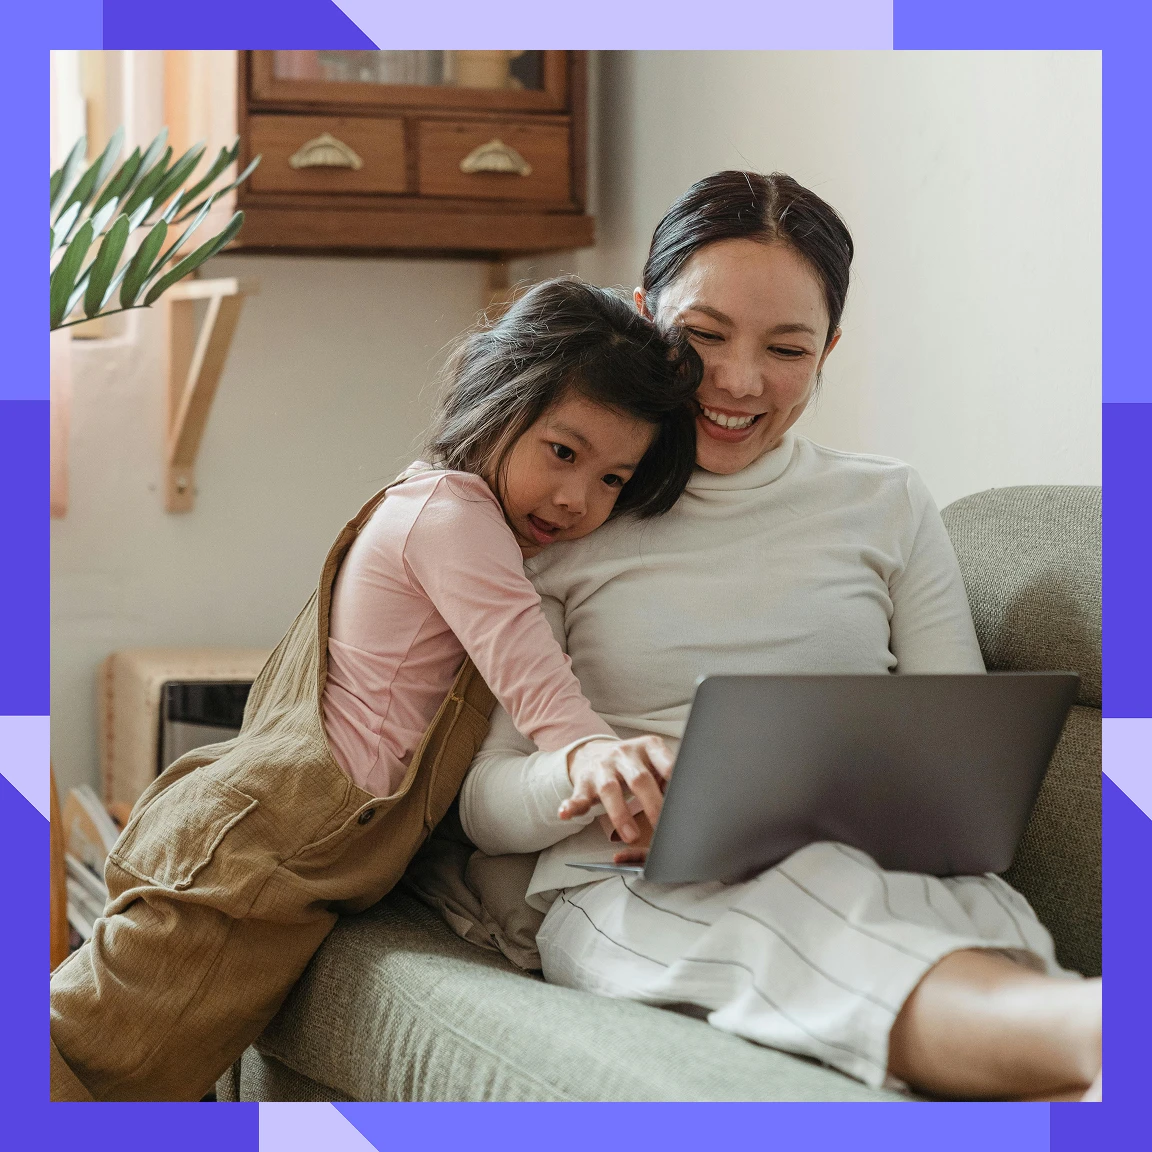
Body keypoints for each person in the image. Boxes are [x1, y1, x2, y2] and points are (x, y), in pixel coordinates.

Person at [459, 172, 1103, 1102]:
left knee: (930, 922)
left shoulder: (887, 500)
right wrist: (590, 772)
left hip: (886, 861)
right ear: (645, 317)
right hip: (632, 882)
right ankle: (1091, 1038)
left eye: (788, 348)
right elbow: (482, 801)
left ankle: (1078, 1046)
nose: (738, 381)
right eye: (703, 337)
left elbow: (963, 761)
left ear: (828, 350)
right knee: (826, 917)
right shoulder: (574, 507)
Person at [49, 278, 702, 1101]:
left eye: (614, 480)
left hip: (279, 851)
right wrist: (601, 757)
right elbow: (537, 684)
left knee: (138, 1070)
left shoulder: (442, 503)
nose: (577, 499)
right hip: (258, 852)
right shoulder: (452, 518)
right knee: (91, 1066)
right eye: (563, 453)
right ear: (496, 402)